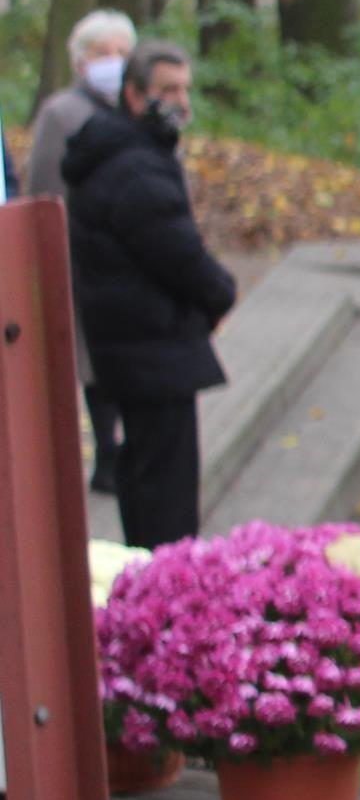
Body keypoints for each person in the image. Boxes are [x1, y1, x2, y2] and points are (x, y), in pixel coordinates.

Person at [62, 40, 235, 546]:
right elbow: (177, 252)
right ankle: (166, 604)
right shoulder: (133, 164)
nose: (181, 101)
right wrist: (222, 293)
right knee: (166, 500)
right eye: (168, 90)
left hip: (136, 347)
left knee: (145, 481)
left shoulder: (120, 151)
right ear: (135, 96)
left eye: (185, 88)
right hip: (151, 349)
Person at [27, 9, 139, 493]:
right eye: (102, 54)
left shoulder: (141, 107)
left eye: (121, 53)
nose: (112, 62)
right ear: (80, 62)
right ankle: (106, 451)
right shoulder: (62, 113)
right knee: (92, 358)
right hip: (84, 256)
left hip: (139, 256)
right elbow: (45, 191)